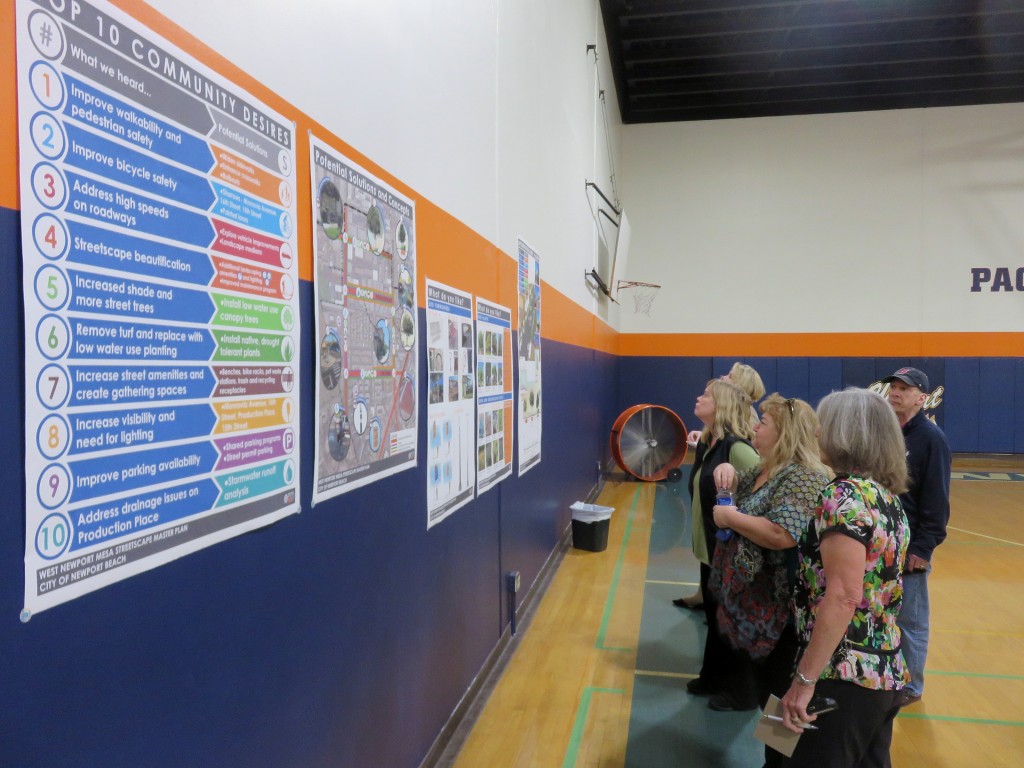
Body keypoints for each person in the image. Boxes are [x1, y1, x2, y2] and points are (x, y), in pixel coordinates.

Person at [778, 388, 910, 767]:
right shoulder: (887, 498)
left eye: (825, 425)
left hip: (843, 674)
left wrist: (803, 682)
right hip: (884, 671)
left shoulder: (843, 497)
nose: (817, 433)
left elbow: (843, 595)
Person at [710, 394, 830, 759]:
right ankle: (774, 760)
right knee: (769, 696)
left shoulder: (804, 477)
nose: (755, 427)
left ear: (785, 433)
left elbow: (782, 533)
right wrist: (724, 477)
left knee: (781, 701)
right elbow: (731, 489)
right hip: (759, 613)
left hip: (784, 617)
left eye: (764, 422)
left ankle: (778, 762)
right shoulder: (766, 469)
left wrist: (729, 517)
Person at [682, 378, 760, 710]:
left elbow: (759, 496)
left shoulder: (738, 449)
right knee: (715, 618)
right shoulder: (711, 443)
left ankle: (742, 693)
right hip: (709, 551)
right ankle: (713, 676)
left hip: (729, 553)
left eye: (706, 395)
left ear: (721, 407)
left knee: (732, 624)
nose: (699, 397)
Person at [881, 366, 951, 708]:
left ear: (922, 399)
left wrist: (923, 548)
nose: (895, 391)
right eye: (893, 386)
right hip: (882, 542)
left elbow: (937, 501)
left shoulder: (931, 439)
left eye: (904, 388)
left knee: (910, 618)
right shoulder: (888, 433)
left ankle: (911, 685)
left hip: (910, 547)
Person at [677, 362, 765, 610]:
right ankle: (705, 598)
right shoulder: (714, 433)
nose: (724, 377)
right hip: (709, 520)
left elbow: (757, 475)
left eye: (730, 376)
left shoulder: (738, 439)